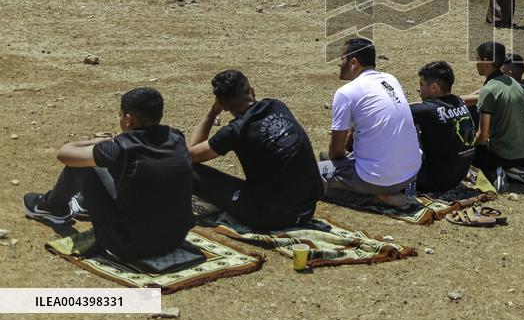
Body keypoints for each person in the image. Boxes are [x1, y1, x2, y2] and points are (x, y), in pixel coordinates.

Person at [23, 88, 193, 260]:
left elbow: (64, 154)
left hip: (129, 246)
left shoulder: (119, 149)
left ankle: (53, 207)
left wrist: (96, 142)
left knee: (83, 166)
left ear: (128, 119)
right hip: (175, 239)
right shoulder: (176, 137)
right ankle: (75, 206)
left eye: (120, 115)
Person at [188, 70, 324, 229]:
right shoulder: (277, 105)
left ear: (222, 104)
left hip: (269, 217)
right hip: (306, 210)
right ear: (251, 90)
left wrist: (212, 113)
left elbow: (189, 156)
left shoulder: (235, 131)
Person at [320, 38, 422, 208]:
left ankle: (376, 198)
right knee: (327, 161)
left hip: (378, 179)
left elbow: (336, 153)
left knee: (311, 176)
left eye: (342, 58)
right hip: (409, 174)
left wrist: (340, 159)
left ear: (353, 62)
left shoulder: (346, 93)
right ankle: (377, 189)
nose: (339, 64)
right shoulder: (390, 79)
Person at [473, 41, 524, 191]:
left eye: (477, 58)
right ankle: (511, 170)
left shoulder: (488, 90)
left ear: (485, 62)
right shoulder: (514, 82)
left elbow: (482, 136)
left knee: (471, 152)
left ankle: (495, 173)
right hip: (522, 153)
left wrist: (467, 144)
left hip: (502, 154)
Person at [409, 62, 476, 193]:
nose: (419, 89)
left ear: (434, 87)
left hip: (434, 182)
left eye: (421, 85)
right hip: (458, 176)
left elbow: (394, 112)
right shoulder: (459, 101)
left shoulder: (427, 111)